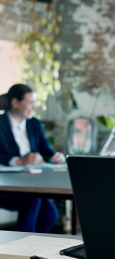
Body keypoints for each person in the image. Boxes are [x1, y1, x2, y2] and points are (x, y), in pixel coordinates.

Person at [0, 84, 65, 232]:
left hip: (32, 183)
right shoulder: (0, 123)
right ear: (15, 103)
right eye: (30, 102)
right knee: (33, 199)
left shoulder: (34, 124)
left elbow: (47, 151)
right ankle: (24, 249)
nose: (34, 107)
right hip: (7, 187)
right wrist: (18, 161)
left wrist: (55, 156)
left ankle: (28, 246)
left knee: (50, 214)